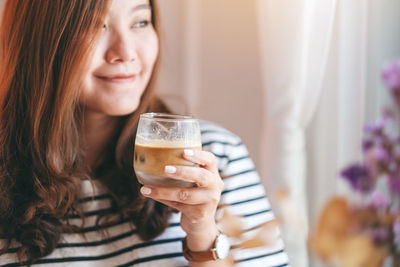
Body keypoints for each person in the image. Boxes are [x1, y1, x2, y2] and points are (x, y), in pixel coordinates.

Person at [0, 0, 290, 266]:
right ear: (37, 39)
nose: (125, 52)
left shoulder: (212, 158)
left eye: (140, 22)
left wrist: (203, 234)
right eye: (94, 25)